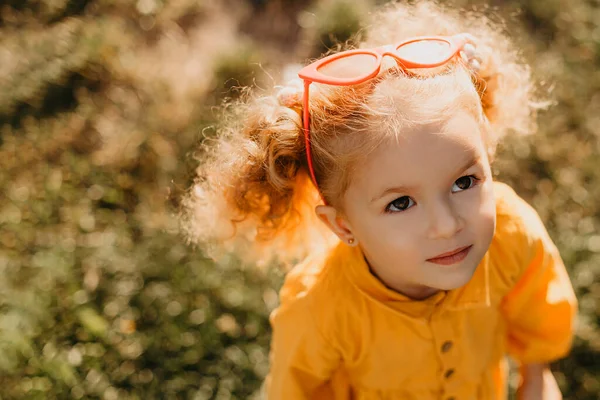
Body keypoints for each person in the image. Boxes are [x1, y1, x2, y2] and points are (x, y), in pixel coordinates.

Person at [182, 1, 578, 399]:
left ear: (489, 156)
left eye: (464, 182)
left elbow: (540, 306)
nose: (447, 225)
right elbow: (300, 390)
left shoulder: (512, 233)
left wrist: (536, 375)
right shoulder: (319, 310)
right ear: (342, 225)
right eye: (401, 203)